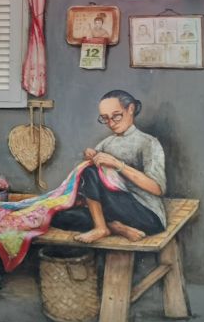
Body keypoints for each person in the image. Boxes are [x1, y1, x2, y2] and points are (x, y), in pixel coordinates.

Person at [51, 90, 167, 243]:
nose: (111, 123)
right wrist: (91, 157)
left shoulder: (148, 142)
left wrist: (117, 164)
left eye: (116, 116)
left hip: (147, 214)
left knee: (90, 172)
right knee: (58, 217)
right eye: (105, 118)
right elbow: (92, 184)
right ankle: (116, 227)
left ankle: (101, 227)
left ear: (131, 109)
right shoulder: (106, 143)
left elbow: (157, 188)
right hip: (115, 211)